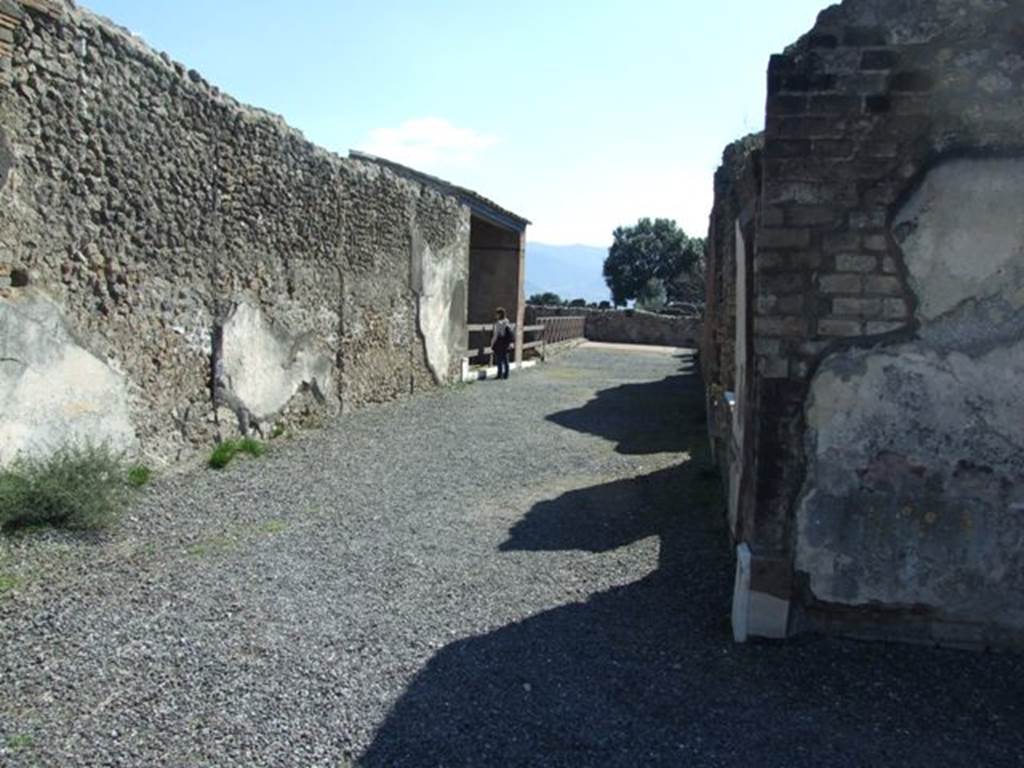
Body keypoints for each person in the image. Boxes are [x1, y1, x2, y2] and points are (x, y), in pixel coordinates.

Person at [491, 307, 514, 380]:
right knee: (506, 359)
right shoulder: (507, 321)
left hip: (500, 342)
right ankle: (506, 375)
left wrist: (492, 344)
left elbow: (496, 335)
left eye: (497, 314)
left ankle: (499, 374)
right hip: (506, 342)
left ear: (499, 314)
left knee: (499, 359)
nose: (495, 315)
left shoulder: (498, 323)